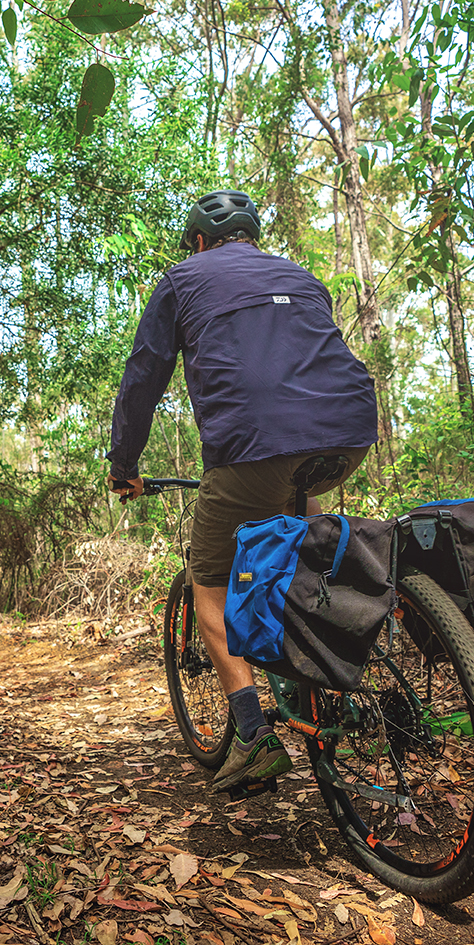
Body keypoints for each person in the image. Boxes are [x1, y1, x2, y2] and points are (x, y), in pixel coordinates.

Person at [106, 189, 378, 794]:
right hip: (350, 432)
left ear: (199, 242)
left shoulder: (181, 279)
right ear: (251, 237)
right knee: (306, 544)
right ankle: (331, 675)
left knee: (210, 584)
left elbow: (143, 377)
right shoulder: (302, 277)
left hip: (255, 444)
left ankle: (253, 736)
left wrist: (124, 462)